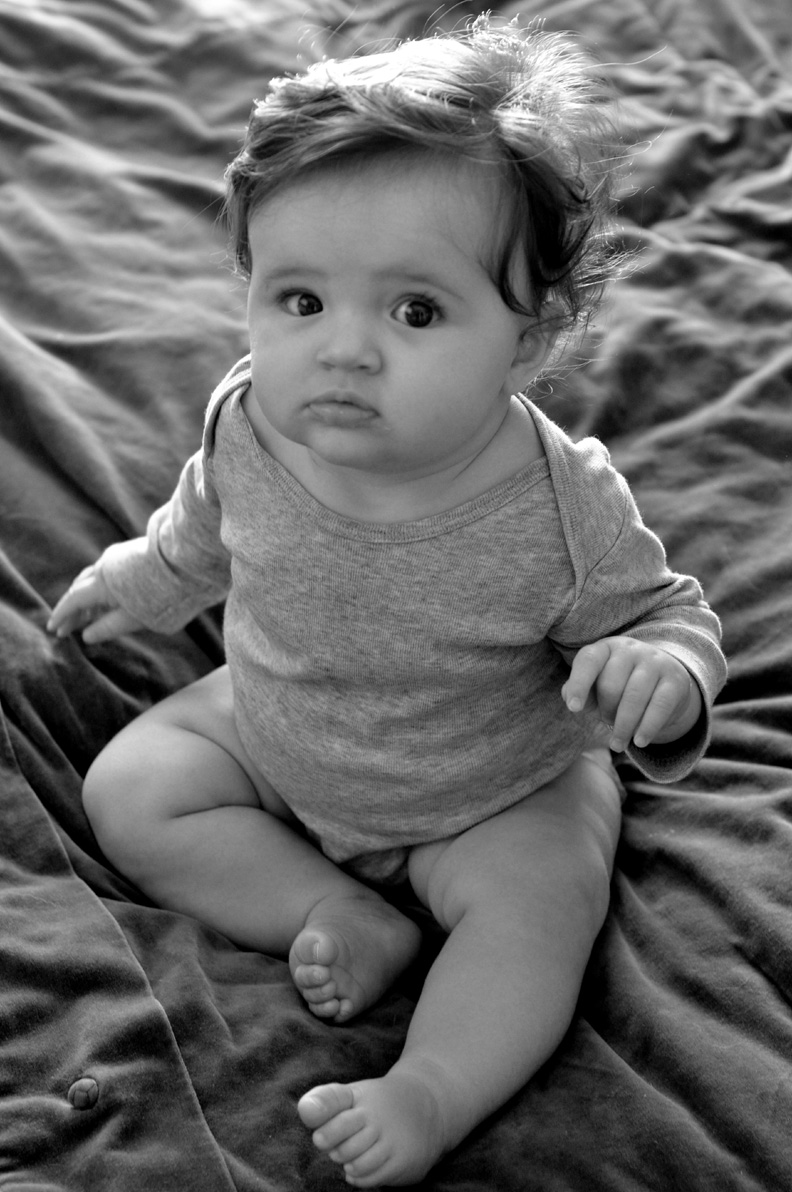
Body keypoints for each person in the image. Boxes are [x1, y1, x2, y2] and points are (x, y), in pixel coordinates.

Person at [48, 17, 727, 1188]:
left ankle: (431, 1085)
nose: (343, 351)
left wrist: (661, 674)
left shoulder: (561, 504)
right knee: (133, 787)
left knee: (536, 912)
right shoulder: (249, 418)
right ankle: (332, 909)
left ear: (530, 338)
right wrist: (137, 579)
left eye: (414, 312)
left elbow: (669, 616)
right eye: (299, 299)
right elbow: (201, 527)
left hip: (491, 788)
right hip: (279, 726)